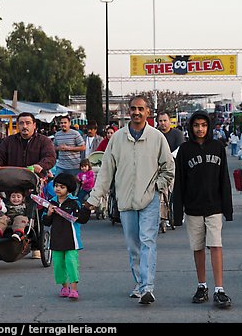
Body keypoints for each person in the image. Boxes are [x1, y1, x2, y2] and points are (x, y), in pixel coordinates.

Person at [85, 95, 175, 305]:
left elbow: (169, 168)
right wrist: (93, 200)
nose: (136, 112)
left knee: (147, 241)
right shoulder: (117, 139)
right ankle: (140, 283)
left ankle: (147, 287)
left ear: (147, 112)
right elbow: (105, 172)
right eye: (133, 109)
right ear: (128, 111)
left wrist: (157, 186)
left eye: (141, 109)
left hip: (150, 199)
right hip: (125, 200)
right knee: (133, 245)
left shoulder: (156, 137)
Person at [173, 110, 234, 308]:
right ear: (191, 127)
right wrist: (177, 211)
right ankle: (202, 286)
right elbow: (179, 182)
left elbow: (224, 179)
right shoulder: (184, 150)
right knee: (198, 247)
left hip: (214, 205)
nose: (200, 129)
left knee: (216, 245)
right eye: (196, 125)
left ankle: (219, 289)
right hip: (193, 207)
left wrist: (228, 208)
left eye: (204, 125)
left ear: (209, 127)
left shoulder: (217, 147)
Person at [0, 111, 57, 259]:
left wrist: (41, 165)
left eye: (27, 123)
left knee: (34, 212)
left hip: (34, 183)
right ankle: (2, 234)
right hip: (11, 184)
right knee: (6, 210)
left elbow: (50, 157)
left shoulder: (44, 141)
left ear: (34, 125)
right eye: (21, 123)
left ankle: (36, 244)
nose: (24, 126)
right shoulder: (9, 141)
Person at [43, 172, 91, 300]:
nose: (58, 189)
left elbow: (82, 219)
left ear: (68, 189)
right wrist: (48, 213)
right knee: (58, 264)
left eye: (62, 187)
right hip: (56, 239)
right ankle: (64, 287)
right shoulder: (51, 202)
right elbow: (46, 222)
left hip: (71, 240)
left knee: (71, 263)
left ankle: (74, 289)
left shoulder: (75, 202)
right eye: (56, 186)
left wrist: (87, 209)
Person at [157, 111, 186, 232]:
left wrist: (168, 158)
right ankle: (161, 217)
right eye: (160, 121)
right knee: (161, 194)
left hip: (173, 167)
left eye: (165, 120)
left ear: (170, 121)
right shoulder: (155, 134)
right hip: (157, 168)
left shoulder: (177, 134)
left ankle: (174, 214)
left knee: (172, 193)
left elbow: (180, 149)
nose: (163, 123)